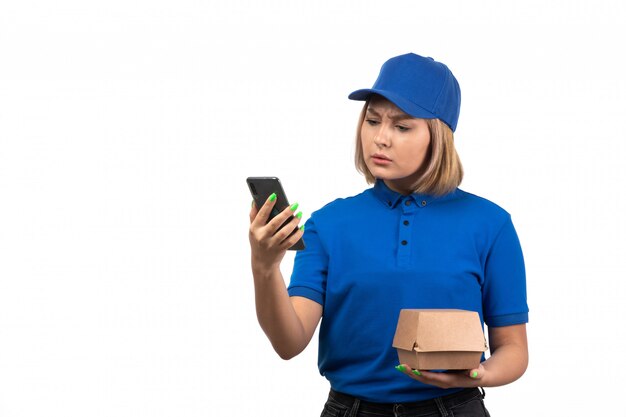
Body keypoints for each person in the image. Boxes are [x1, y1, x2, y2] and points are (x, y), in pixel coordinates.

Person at [248, 53, 529, 417]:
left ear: (437, 136)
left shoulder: (490, 224)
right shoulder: (329, 223)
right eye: (372, 120)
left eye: (402, 126)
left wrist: (479, 373)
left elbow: (514, 349)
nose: (380, 138)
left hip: (454, 408)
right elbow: (289, 342)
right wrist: (264, 266)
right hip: (351, 410)